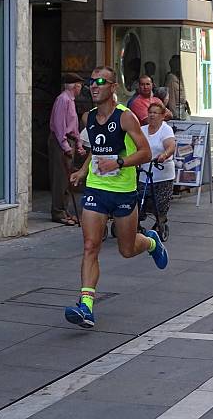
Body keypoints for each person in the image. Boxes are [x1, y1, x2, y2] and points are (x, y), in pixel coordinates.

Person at [65, 66, 169, 329]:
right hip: (97, 190)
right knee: (91, 246)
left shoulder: (126, 118)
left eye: (101, 81)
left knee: (126, 249)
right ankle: (86, 306)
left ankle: (150, 243)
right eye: (91, 82)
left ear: (113, 87)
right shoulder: (88, 117)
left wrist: (120, 162)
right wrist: (82, 170)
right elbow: (96, 150)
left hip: (123, 192)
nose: (94, 86)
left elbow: (145, 153)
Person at [48, 73, 87, 225]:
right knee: (60, 178)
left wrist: (78, 144)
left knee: (66, 178)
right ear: (75, 86)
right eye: (80, 86)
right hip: (61, 142)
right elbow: (59, 126)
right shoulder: (63, 100)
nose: (81, 89)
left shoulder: (70, 101)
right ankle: (58, 212)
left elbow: (73, 126)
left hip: (68, 140)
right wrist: (65, 146)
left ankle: (64, 210)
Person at [138, 102, 176, 227]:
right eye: (150, 112)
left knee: (160, 203)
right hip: (145, 172)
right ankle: (137, 221)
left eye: (155, 113)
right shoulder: (142, 130)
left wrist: (164, 155)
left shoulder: (166, 129)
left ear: (162, 116)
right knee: (141, 199)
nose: (152, 115)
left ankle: (160, 221)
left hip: (162, 173)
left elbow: (171, 146)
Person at [165, 55, 190, 120]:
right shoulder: (171, 78)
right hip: (177, 110)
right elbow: (171, 97)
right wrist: (174, 114)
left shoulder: (178, 77)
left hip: (182, 108)